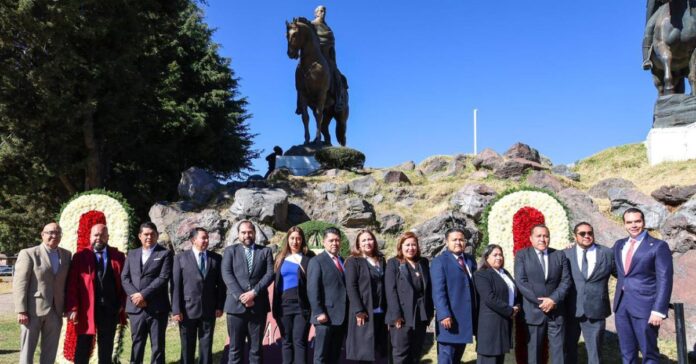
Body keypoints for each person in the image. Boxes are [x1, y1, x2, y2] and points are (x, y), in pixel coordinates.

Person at [613, 208, 673, 364]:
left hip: (646, 307)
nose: (633, 225)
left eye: (637, 221)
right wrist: (575, 247)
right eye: (629, 222)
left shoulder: (658, 246)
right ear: (624, 224)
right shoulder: (619, 244)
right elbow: (611, 266)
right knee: (627, 352)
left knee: (649, 353)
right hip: (621, 306)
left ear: (644, 222)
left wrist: (659, 310)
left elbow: (665, 279)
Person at [66, 224, 127, 364]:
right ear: (90, 237)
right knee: (83, 346)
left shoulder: (118, 256)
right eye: (95, 235)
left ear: (107, 237)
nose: (98, 238)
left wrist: (123, 304)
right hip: (86, 310)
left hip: (110, 310)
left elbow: (125, 282)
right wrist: (73, 308)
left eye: (102, 235)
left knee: (106, 349)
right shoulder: (80, 256)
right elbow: (72, 285)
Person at [13, 222, 72, 364]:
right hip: (32, 311)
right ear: (43, 235)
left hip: (56, 311)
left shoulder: (66, 255)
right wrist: (21, 310)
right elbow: (20, 283)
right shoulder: (29, 253)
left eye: (58, 233)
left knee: (50, 352)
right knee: (27, 352)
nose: (54, 235)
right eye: (51, 232)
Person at [515, 224, 572, 364]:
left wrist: (553, 300)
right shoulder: (522, 255)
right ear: (531, 238)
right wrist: (542, 302)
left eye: (545, 236)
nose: (542, 239)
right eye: (538, 236)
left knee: (559, 353)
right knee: (534, 354)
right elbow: (522, 282)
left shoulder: (559, 255)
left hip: (556, 311)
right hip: (534, 312)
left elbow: (566, 281)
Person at [221, 220, 274, 364]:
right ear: (238, 235)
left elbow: (269, 274)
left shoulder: (265, 251)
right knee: (235, 348)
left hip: (258, 306)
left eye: (250, 232)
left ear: (255, 233)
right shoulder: (230, 251)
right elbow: (227, 274)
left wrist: (254, 293)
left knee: (256, 349)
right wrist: (241, 296)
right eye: (243, 232)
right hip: (235, 307)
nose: (247, 235)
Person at [121, 222, 174, 364]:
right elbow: (125, 278)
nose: (149, 237)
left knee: (157, 345)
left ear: (157, 235)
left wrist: (143, 295)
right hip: (136, 307)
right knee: (137, 342)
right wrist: (135, 297)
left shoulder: (165, 253)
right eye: (146, 234)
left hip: (156, 307)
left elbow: (163, 278)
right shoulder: (132, 254)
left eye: (152, 234)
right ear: (140, 236)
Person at [171, 227, 225, 364]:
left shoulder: (216, 259)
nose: (206, 240)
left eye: (207, 237)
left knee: (206, 347)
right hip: (187, 310)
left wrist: (220, 306)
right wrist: (176, 309)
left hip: (209, 309)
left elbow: (221, 285)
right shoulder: (180, 259)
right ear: (193, 240)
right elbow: (175, 285)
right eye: (203, 238)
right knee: (187, 346)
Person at [563, 222, 615, 364]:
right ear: (575, 236)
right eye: (582, 233)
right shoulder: (565, 254)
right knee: (568, 351)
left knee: (595, 354)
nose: (587, 236)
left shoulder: (607, 253)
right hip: (571, 311)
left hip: (596, 310)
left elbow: (622, 276)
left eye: (590, 233)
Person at [384, 232, 433, 364]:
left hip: (420, 316)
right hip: (401, 317)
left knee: (416, 353)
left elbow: (427, 290)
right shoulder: (393, 263)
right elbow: (391, 291)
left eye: (413, 244)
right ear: (401, 247)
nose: (411, 248)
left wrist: (429, 313)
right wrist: (396, 315)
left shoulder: (422, 262)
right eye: (407, 245)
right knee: (401, 354)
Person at [430, 227, 477, 364]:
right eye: (454, 240)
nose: (458, 242)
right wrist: (444, 314)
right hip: (449, 320)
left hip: (465, 319)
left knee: (456, 358)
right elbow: (438, 291)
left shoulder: (470, 260)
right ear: (446, 242)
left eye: (461, 239)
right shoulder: (439, 261)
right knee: (446, 359)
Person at [344, 229, 388, 363]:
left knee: (379, 351)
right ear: (358, 244)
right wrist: (359, 310)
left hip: (381, 312)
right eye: (363, 240)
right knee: (364, 353)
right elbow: (351, 287)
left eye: (370, 239)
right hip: (364, 313)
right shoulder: (353, 261)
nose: (367, 242)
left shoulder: (381, 260)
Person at [272, 226, 314, 364]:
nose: (295, 241)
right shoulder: (280, 258)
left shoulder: (309, 258)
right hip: (283, 306)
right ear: (287, 240)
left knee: (299, 341)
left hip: (302, 306)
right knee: (286, 341)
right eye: (292, 238)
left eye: (298, 238)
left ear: (302, 240)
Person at [473, 244, 520, 364]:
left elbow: (514, 293)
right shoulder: (482, 274)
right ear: (486, 257)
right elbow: (489, 298)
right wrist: (510, 310)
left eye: (500, 255)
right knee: (488, 359)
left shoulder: (505, 273)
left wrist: (517, 306)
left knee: (499, 359)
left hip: (504, 322)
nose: (499, 257)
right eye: (495, 255)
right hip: (490, 326)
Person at [307, 227, 348, 364]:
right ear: (324, 242)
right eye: (331, 240)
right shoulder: (316, 261)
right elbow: (312, 289)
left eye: (337, 240)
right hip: (325, 317)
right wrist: (319, 312)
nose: (334, 243)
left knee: (335, 355)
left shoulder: (342, 260)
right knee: (321, 356)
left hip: (341, 318)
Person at [311, 5, 345, 111]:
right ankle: (300, 102)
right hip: (316, 56)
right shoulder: (312, 25)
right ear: (316, 13)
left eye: (324, 11)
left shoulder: (328, 28)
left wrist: (333, 60)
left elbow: (332, 46)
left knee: (338, 76)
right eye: (320, 11)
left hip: (328, 57)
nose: (323, 13)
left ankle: (338, 100)